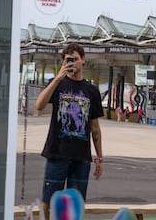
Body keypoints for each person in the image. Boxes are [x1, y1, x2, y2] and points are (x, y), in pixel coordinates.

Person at [35, 43, 104, 220]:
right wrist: (58, 78)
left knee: (76, 204)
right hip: (57, 153)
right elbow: (39, 105)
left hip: (81, 157)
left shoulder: (91, 91)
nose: (71, 62)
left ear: (83, 60)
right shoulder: (57, 84)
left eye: (74, 58)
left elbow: (95, 128)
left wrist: (99, 157)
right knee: (48, 200)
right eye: (67, 60)